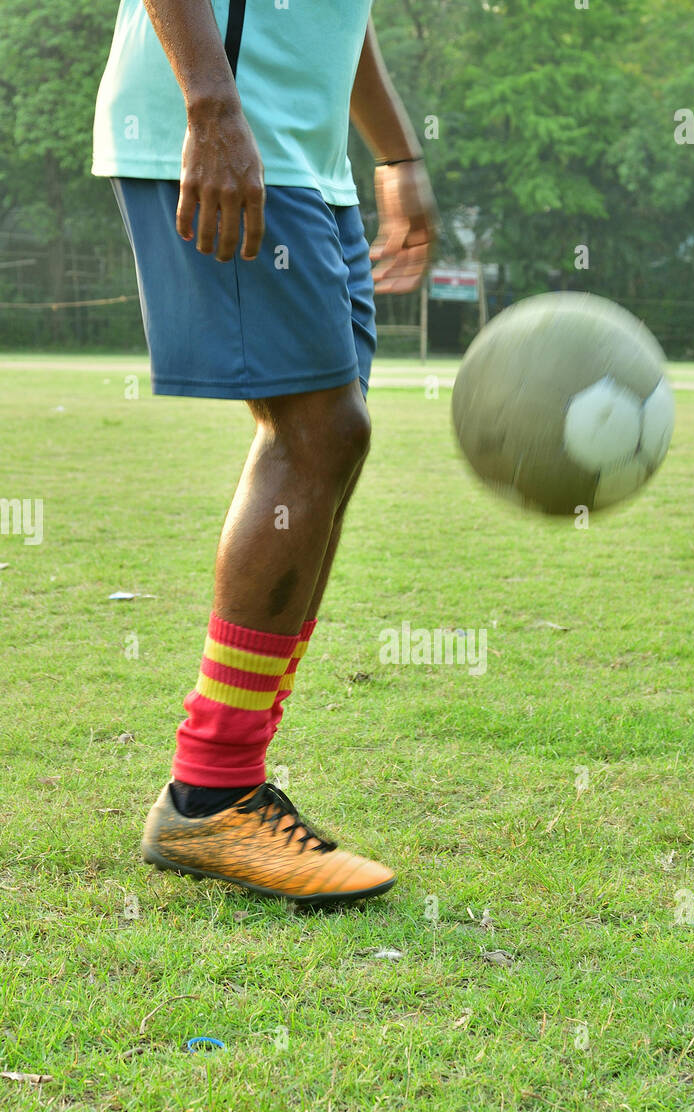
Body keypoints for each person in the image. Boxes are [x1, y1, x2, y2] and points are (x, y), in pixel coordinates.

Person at [92, 1, 437, 903]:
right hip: (218, 127)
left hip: (309, 162)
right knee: (318, 432)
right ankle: (211, 790)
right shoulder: (212, 115)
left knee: (335, 439)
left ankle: (225, 783)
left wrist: (395, 153)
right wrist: (211, 106)